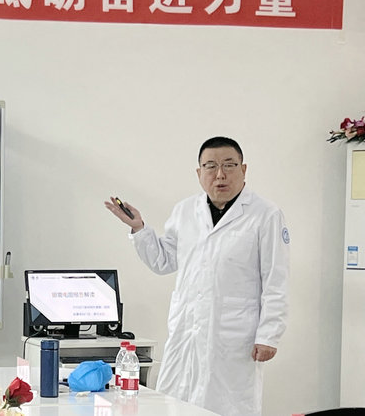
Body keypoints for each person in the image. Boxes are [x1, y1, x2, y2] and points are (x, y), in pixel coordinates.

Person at [104, 136, 289, 416]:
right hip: (187, 330)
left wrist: (269, 335)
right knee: (174, 403)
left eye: (229, 165)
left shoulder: (265, 214)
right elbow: (164, 260)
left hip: (233, 335)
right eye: (211, 166)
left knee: (229, 407)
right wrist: (139, 229)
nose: (220, 174)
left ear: (243, 169)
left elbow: (276, 280)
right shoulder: (185, 211)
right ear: (199, 172)